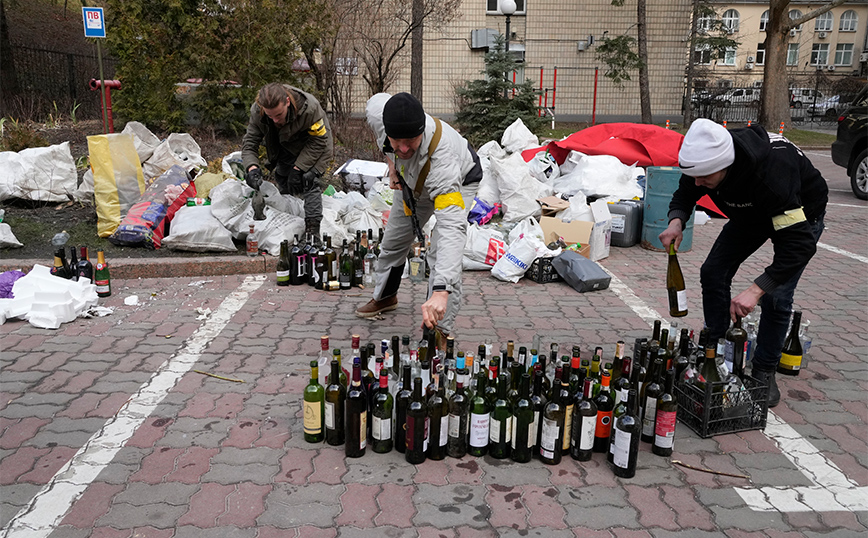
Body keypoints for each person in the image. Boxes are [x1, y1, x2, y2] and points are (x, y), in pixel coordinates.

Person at [659, 119, 827, 407]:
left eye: (704, 178)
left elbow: (799, 247)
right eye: (695, 175)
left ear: (725, 166)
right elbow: (687, 191)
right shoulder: (704, 160)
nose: (698, 182)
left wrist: (755, 289)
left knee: (775, 296)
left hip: (798, 216)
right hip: (749, 215)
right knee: (713, 271)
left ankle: (764, 370)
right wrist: (677, 221)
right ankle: (714, 353)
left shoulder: (772, 175)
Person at [356, 92, 478, 337]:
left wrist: (442, 289)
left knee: (439, 252)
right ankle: (386, 297)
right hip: (411, 180)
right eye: (395, 141)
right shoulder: (382, 116)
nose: (402, 148)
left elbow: (451, 229)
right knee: (393, 241)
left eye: (410, 140)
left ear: (422, 130)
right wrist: (392, 165)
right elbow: (376, 104)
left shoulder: (444, 161)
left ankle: (438, 327)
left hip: (459, 181)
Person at [241, 83, 334, 237]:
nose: (275, 120)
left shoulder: (310, 109)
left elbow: (319, 142)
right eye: (270, 116)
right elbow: (250, 142)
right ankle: (289, 223)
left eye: (279, 115)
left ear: (288, 102)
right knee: (285, 180)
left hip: (316, 145)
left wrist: (299, 169)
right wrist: (252, 168)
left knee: (307, 181)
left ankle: (313, 230)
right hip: (284, 145)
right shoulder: (258, 112)